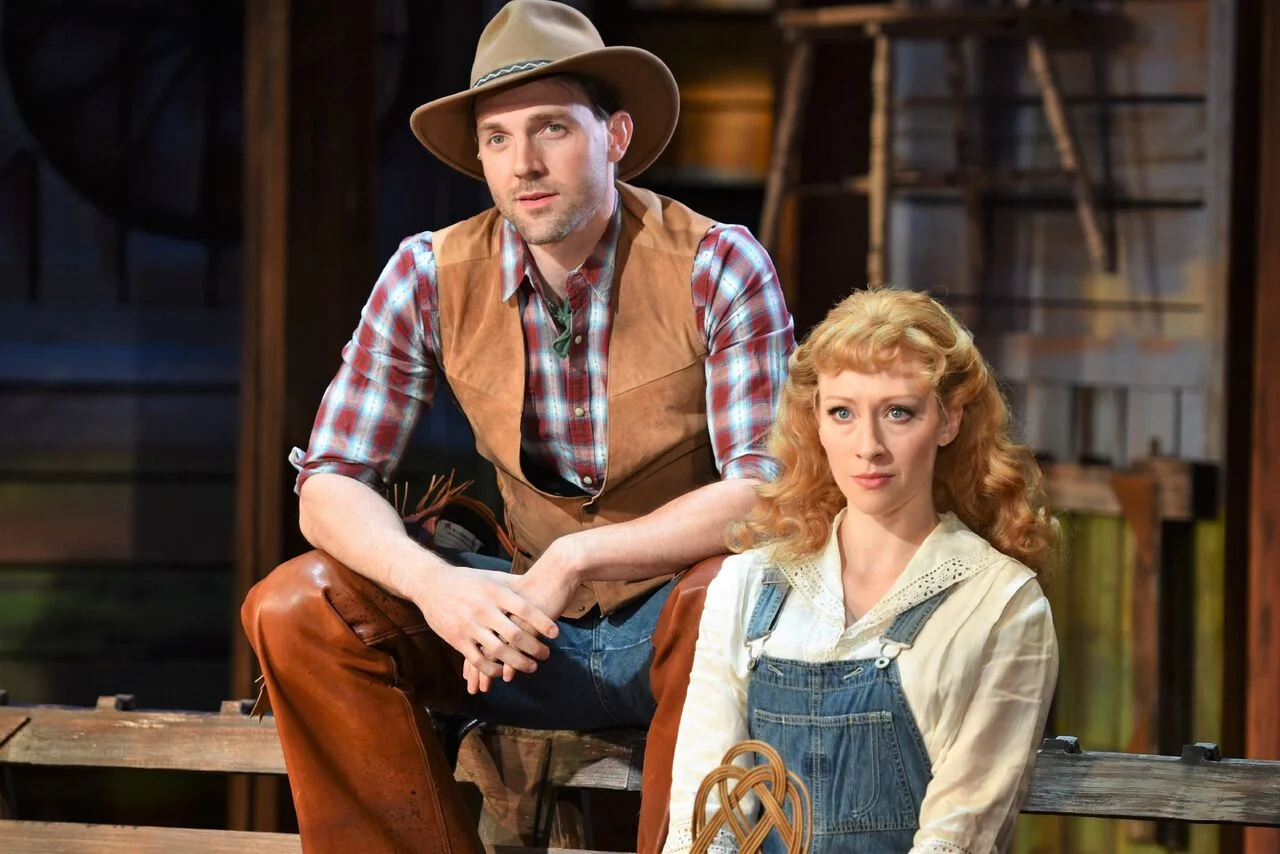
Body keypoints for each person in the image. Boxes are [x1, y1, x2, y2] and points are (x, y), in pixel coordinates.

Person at [239, 2, 795, 853]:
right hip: (518, 630)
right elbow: (328, 484)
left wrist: (578, 557)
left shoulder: (717, 263)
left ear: (614, 136)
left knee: (732, 593)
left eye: (551, 129)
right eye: (497, 140)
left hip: (679, 626)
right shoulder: (428, 272)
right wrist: (439, 588)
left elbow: (766, 494)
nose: (524, 164)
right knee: (293, 607)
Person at [662, 287, 1060, 854]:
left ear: (948, 421)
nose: (867, 447)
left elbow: (958, 837)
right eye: (842, 413)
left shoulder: (1000, 605)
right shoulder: (747, 585)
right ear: (815, 422)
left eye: (899, 413)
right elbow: (705, 821)